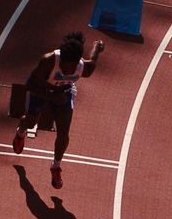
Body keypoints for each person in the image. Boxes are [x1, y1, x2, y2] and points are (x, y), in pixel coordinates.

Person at [11, 32, 103, 189]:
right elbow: (30, 85)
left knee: (63, 133)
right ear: (61, 61)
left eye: (73, 67)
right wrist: (51, 96)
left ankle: (56, 166)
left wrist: (97, 48)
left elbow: (92, 62)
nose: (69, 71)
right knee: (31, 121)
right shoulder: (48, 61)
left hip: (63, 93)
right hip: (40, 90)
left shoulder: (82, 68)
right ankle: (21, 132)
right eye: (66, 67)